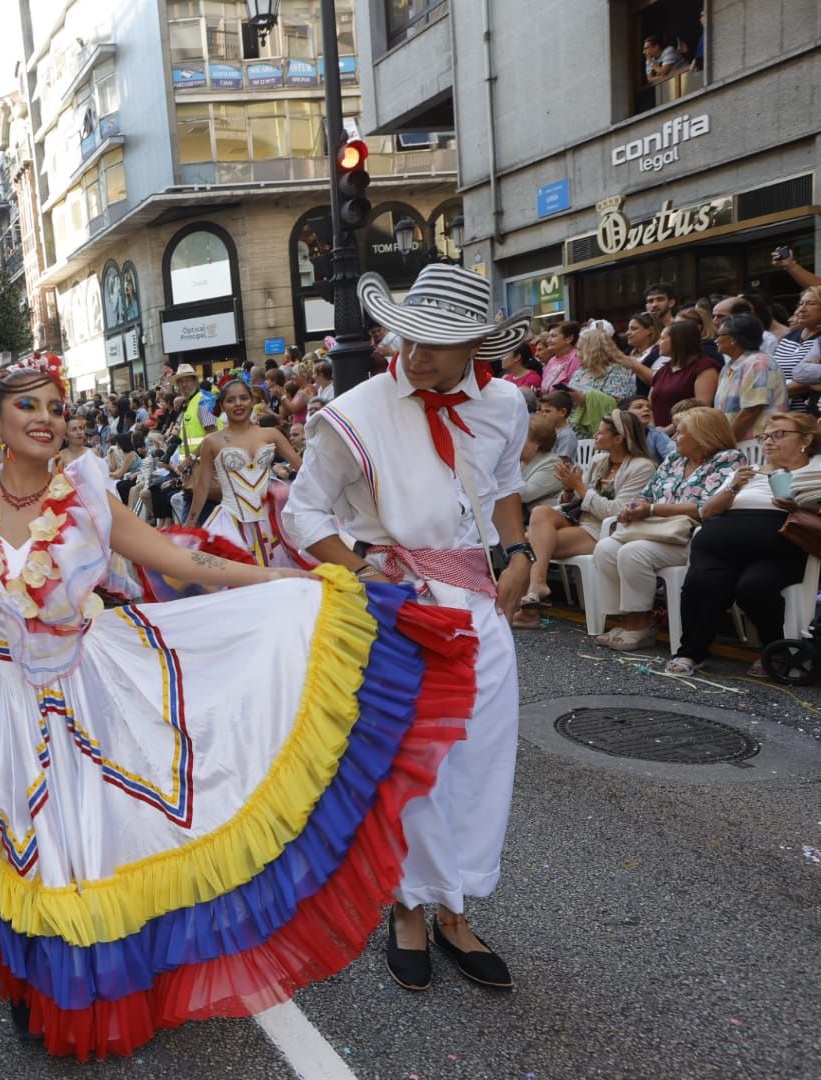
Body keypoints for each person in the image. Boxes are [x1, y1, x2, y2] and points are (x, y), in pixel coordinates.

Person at [0, 351, 475, 1058]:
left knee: (85, 837)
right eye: (28, 405)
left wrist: (275, 578)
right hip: (0, 698)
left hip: (89, 685)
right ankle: (43, 978)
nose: (47, 418)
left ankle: (81, 986)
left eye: (55, 405)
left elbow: (176, 559)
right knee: (30, 843)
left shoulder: (85, 492)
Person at [285, 263, 535, 994]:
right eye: (410, 336)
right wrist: (364, 573)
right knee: (412, 768)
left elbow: (507, 488)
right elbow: (303, 514)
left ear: (478, 345)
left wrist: (517, 552)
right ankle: (406, 909)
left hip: (481, 608)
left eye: (438, 343)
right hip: (400, 612)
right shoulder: (355, 411)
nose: (416, 354)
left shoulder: (506, 404)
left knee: (479, 765)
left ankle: (456, 911)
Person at [666, 413, 821, 676]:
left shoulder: (816, 470)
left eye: (779, 435)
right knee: (701, 584)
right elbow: (708, 512)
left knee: (754, 587)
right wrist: (733, 488)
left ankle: (773, 650)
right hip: (721, 544)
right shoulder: (747, 472)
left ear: (806, 439)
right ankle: (691, 652)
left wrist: (797, 507)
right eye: (764, 436)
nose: (768, 442)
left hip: (780, 545)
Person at [591, 407, 745, 651]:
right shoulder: (674, 459)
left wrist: (652, 510)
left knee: (633, 552)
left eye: (681, 433)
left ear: (703, 435)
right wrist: (634, 507)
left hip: (693, 536)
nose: (674, 439)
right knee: (605, 548)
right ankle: (625, 620)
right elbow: (646, 494)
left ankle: (641, 624)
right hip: (655, 530)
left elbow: (706, 507)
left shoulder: (729, 460)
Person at [517, 410, 658, 624]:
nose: (594, 436)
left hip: (608, 530)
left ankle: (528, 609)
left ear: (618, 439)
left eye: (600, 433)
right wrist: (568, 491)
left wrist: (580, 489)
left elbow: (618, 512)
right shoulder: (599, 460)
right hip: (584, 520)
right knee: (540, 513)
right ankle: (537, 587)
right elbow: (576, 502)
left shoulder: (643, 467)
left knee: (529, 544)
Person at [184, 378, 305, 568]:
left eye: (243, 398)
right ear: (222, 405)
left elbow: (302, 469)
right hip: (231, 522)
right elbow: (202, 486)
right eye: (231, 400)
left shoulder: (270, 434)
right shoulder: (212, 441)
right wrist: (189, 526)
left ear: (252, 400)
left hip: (273, 522)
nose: (238, 404)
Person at [712, 312, 780, 441]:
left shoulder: (758, 363)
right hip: (738, 444)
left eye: (719, 335)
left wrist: (726, 442)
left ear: (733, 338)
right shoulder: (729, 366)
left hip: (759, 445)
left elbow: (752, 410)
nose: (716, 340)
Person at [649, 318, 720, 422]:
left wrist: (669, 430)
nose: (658, 343)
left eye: (662, 338)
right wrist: (654, 431)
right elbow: (649, 404)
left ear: (678, 340)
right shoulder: (662, 371)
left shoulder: (704, 367)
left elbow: (702, 409)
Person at [775, 285, 821, 412]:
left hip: (806, 413)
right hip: (780, 411)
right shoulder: (789, 336)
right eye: (801, 303)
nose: (802, 309)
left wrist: (772, 393)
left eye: (810, 304)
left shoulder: (819, 340)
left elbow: (805, 378)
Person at [518, 415, 563, 519]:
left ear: (537, 443)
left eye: (521, 437)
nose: (515, 442)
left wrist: (506, 467)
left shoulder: (551, 464)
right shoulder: (523, 461)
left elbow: (525, 495)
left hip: (543, 522)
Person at [172, 364, 220, 456]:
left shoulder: (204, 401)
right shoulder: (188, 403)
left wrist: (193, 457)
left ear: (195, 382)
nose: (184, 385)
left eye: (187, 380)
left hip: (205, 462)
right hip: (193, 465)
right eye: (180, 382)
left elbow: (212, 433)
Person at [538, 321, 582, 390]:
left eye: (553, 336)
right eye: (549, 336)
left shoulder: (576, 358)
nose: (548, 340)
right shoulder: (552, 360)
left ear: (569, 339)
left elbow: (573, 390)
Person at [537, 390, 579, 461]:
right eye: (542, 411)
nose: (543, 414)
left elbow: (561, 462)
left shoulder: (567, 435)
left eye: (547, 411)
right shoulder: (548, 431)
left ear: (562, 412)